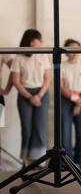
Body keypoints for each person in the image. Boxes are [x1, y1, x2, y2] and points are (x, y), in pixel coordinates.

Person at [10, 29, 51, 166]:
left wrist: (38, 95)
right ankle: (25, 161)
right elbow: (15, 80)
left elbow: (47, 78)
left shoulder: (43, 56)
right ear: (31, 41)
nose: (41, 42)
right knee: (27, 128)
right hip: (25, 93)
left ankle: (39, 161)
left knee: (39, 127)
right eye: (38, 39)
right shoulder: (19, 57)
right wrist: (29, 97)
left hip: (42, 93)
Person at [61, 39, 81, 169]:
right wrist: (74, 98)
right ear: (66, 51)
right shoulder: (61, 66)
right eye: (71, 49)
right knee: (65, 133)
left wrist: (79, 103)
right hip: (65, 100)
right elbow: (61, 87)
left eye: (77, 49)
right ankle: (67, 162)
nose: (74, 52)